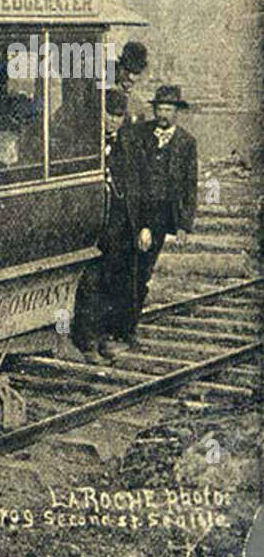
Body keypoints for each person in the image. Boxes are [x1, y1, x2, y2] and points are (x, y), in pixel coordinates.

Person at [121, 85, 198, 353]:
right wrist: (142, 223)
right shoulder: (141, 135)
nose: (163, 114)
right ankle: (126, 329)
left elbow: (190, 185)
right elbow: (135, 179)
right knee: (135, 271)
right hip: (139, 214)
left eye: (168, 109)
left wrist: (184, 224)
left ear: (177, 112)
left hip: (164, 217)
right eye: (159, 109)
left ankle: (127, 326)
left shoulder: (187, 143)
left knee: (143, 271)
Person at [72, 90, 141, 363]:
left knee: (114, 282)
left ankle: (106, 338)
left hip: (119, 227)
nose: (113, 121)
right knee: (91, 283)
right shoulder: (86, 143)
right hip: (93, 224)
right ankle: (87, 341)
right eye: (109, 115)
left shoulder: (128, 146)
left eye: (118, 117)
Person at [113, 41, 149, 125]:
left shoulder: (137, 103)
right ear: (120, 66)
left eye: (136, 72)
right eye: (127, 70)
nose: (131, 77)